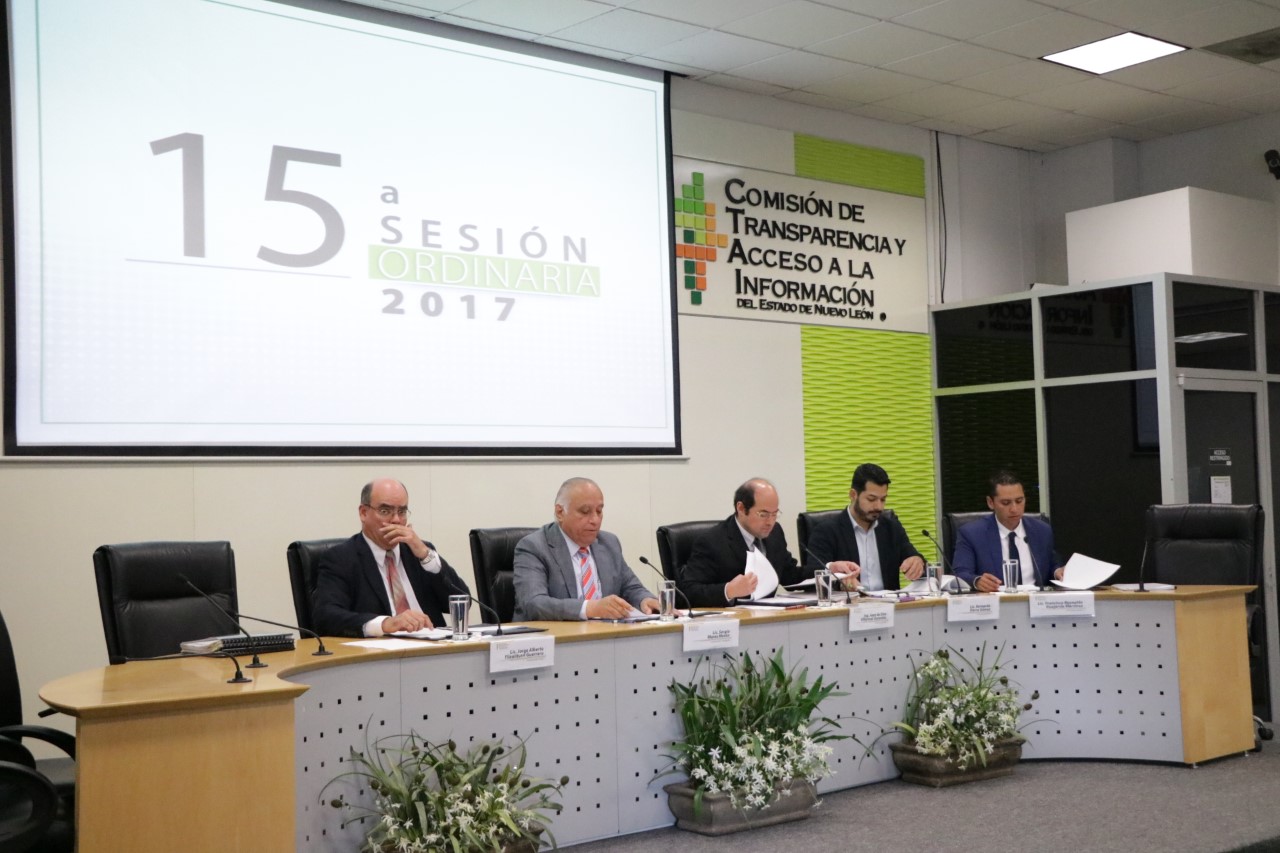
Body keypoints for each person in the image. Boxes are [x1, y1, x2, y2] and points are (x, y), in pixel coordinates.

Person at [312, 478, 469, 637]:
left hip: (434, 646)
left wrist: (425, 555)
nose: (396, 520)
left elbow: (462, 602)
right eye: (385, 511)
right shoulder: (341, 558)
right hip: (381, 649)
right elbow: (326, 617)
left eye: (402, 511)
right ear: (363, 513)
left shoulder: (419, 553)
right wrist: (385, 624)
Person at [680, 478, 859, 607]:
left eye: (775, 514)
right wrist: (729, 590)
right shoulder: (712, 541)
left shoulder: (775, 534)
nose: (770, 522)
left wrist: (830, 569)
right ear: (741, 508)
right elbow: (687, 592)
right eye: (763, 514)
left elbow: (790, 576)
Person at [513, 477, 660, 621]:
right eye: (585, 512)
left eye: (599, 511)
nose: (595, 520)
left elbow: (630, 587)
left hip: (604, 634)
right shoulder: (534, 547)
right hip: (554, 635)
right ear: (560, 513)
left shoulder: (609, 543)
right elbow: (534, 604)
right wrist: (590, 608)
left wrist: (645, 599)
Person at [804, 463, 925, 592]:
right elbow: (813, 575)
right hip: (850, 603)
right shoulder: (826, 531)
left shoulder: (892, 528)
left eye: (883, 499)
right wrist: (840, 583)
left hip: (889, 603)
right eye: (871, 499)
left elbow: (914, 558)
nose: (879, 507)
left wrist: (917, 562)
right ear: (853, 495)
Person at [953, 470, 1063, 592]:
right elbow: (960, 573)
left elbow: (1052, 565)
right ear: (990, 503)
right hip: (994, 601)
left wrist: (1058, 572)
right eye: (1006, 503)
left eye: (1019, 501)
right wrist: (977, 581)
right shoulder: (972, 534)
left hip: (1036, 600)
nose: (1014, 509)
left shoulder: (1041, 530)